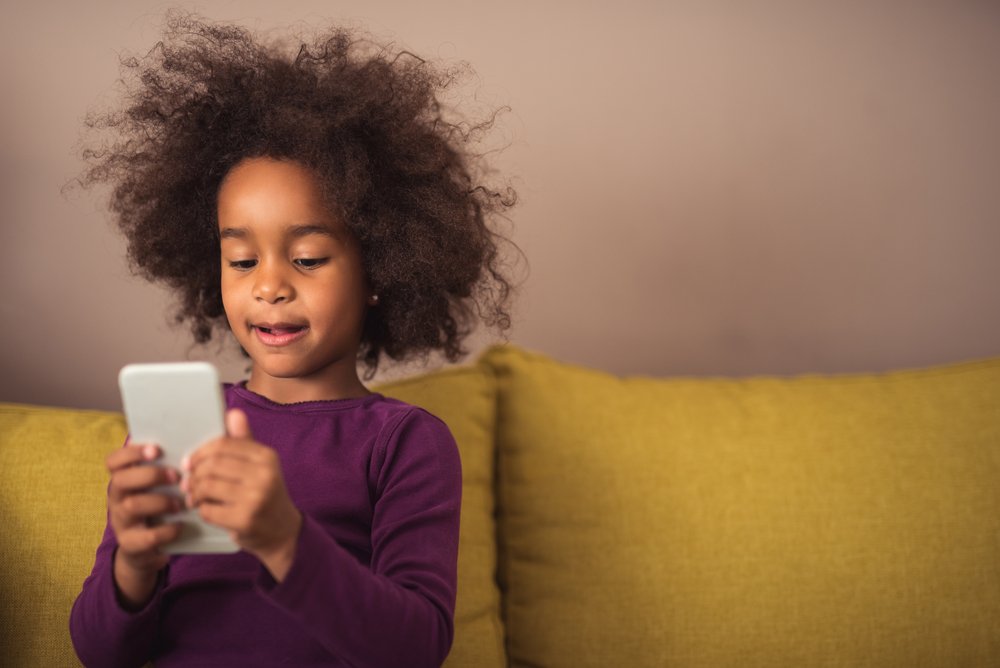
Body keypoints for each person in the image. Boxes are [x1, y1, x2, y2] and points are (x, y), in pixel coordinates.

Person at [68, 11, 516, 668]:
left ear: (379, 272)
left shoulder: (405, 443)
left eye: (306, 258)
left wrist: (285, 540)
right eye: (243, 262)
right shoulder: (183, 427)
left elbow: (416, 648)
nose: (270, 286)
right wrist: (133, 566)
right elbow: (98, 653)